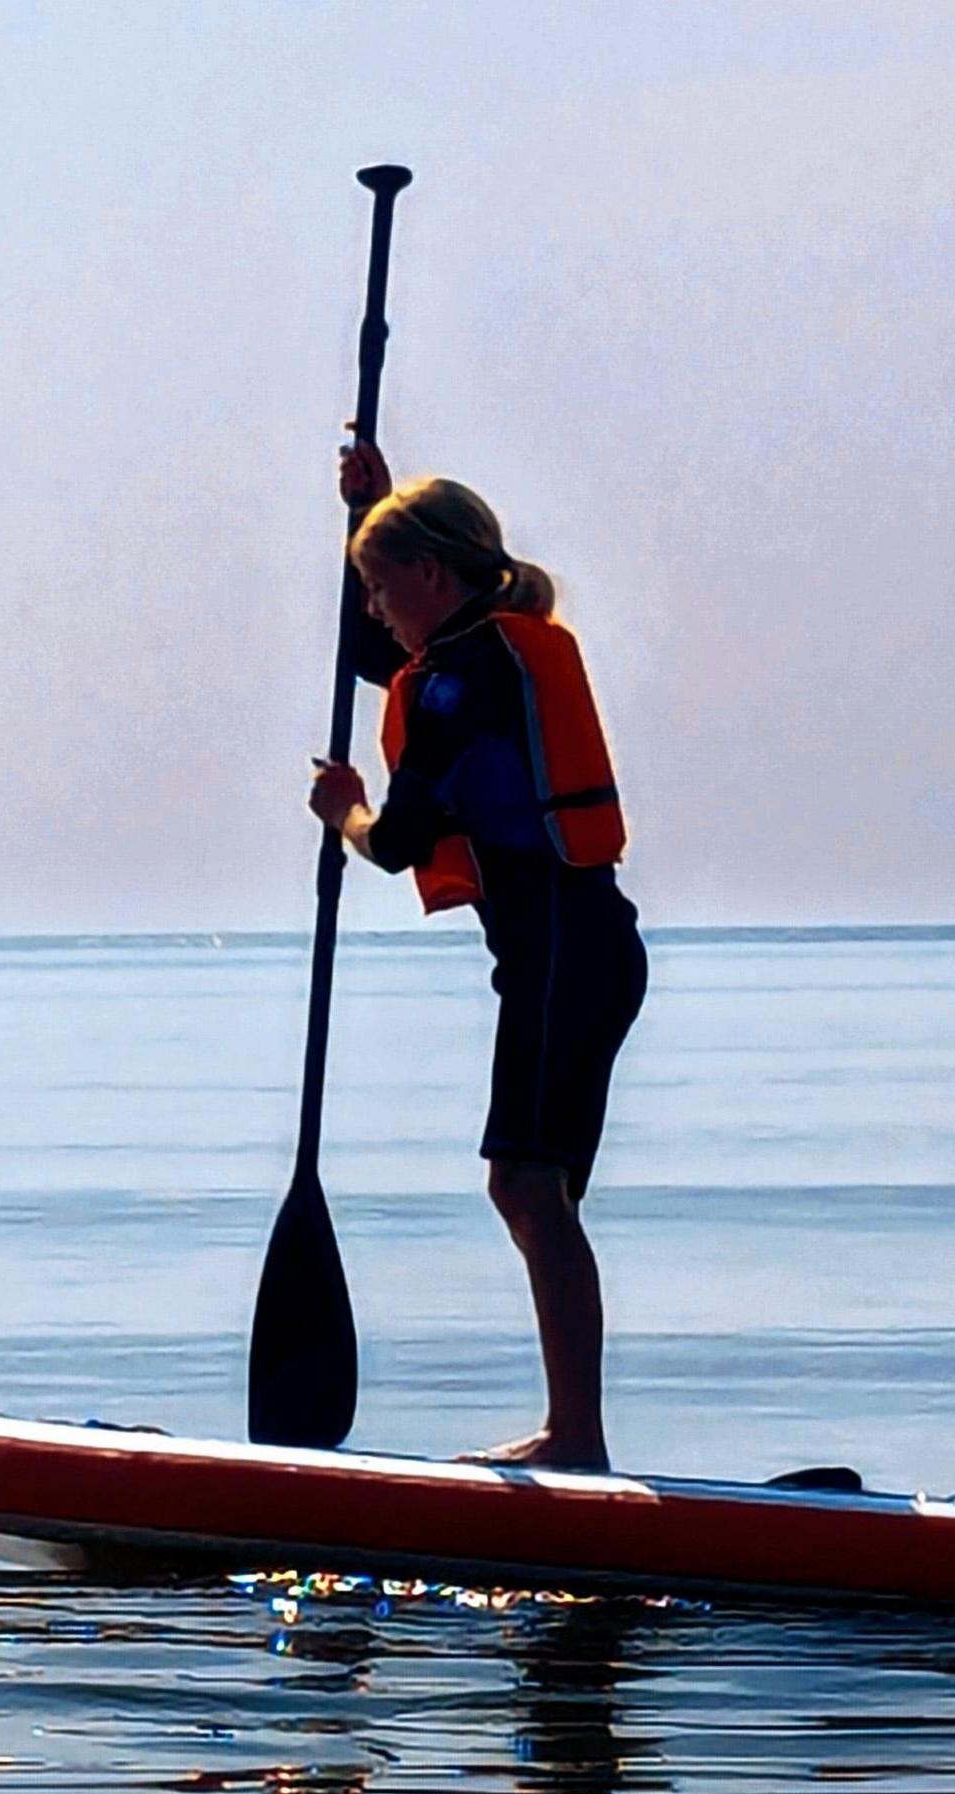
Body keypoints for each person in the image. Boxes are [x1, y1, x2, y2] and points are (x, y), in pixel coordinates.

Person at [308, 445, 648, 1470]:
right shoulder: (492, 649)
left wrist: (344, 814)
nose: (370, 609)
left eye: (379, 585)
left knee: (526, 1187)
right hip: (580, 946)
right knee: (533, 1190)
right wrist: (363, 514)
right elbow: (387, 659)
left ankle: (576, 1438)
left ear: (433, 577)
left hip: (557, 953)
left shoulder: (460, 684)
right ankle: (575, 1432)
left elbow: (401, 839)